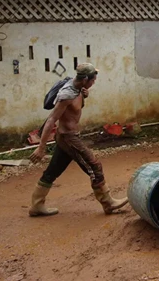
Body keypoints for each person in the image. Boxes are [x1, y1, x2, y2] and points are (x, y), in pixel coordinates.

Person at [28, 63, 128, 217]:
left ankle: (36, 205)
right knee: (94, 166)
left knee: (53, 170)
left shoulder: (78, 88)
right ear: (85, 79)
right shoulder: (66, 95)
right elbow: (51, 119)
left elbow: (76, 106)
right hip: (69, 138)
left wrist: (84, 95)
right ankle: (108, 203)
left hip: (67, 137)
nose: (94, 83)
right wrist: (41, 147)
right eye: (92, 80)